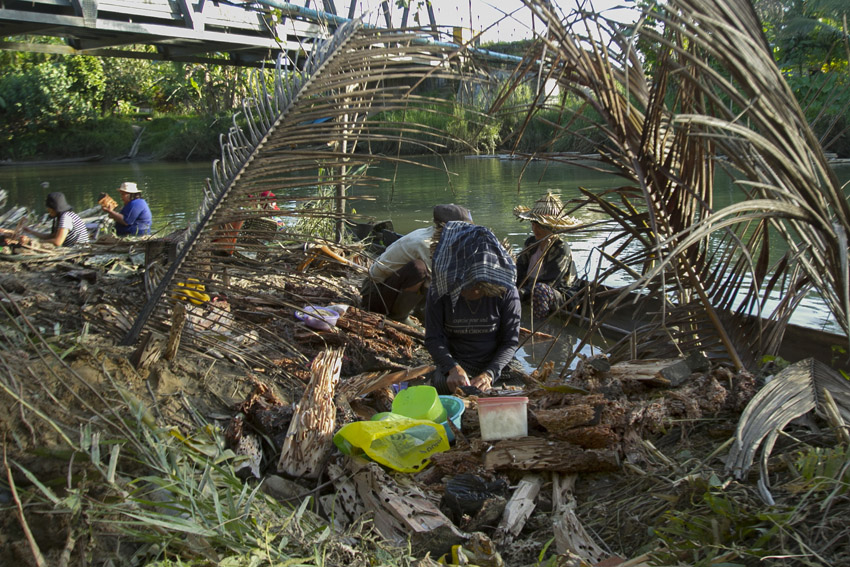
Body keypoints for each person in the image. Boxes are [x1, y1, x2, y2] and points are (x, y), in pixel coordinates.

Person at [424, 222, 521, 395]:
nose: (471, 291)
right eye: (466, 285)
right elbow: (433, 338)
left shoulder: (506, 290)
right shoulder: (440, 289)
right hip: (459, 362)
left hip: (497, 365)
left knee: (521, 387)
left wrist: (489, 374)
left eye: (477, 286)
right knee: (440, 385)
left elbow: (510, 342)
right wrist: (452, 368)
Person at [360, 204, 473, 323]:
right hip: (375, 295)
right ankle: (399, 316)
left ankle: (419, 312)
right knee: (419, 269)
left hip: (390, 287)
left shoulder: (434, 234)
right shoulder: (426, 245)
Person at [514, 192, 580, 319]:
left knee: (540, 290)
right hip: (529, 289)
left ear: (551, 226)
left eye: (539, 226)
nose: (534, 229)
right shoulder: (530, 243)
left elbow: (551, 283)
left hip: (560, 295)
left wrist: (522, 292)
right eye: (533, 224)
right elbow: (519, 270)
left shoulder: (561, 248)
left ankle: (539, 327)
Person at [22, 192, 90, 247]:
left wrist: (36, 242)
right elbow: (51, 236)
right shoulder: (66, 215)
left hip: (78, 250)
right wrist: (31, 232)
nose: (48, 210)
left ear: (54, 208)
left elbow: (58, 242)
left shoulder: (66, 218)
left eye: (49, 208)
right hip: (77, 248)